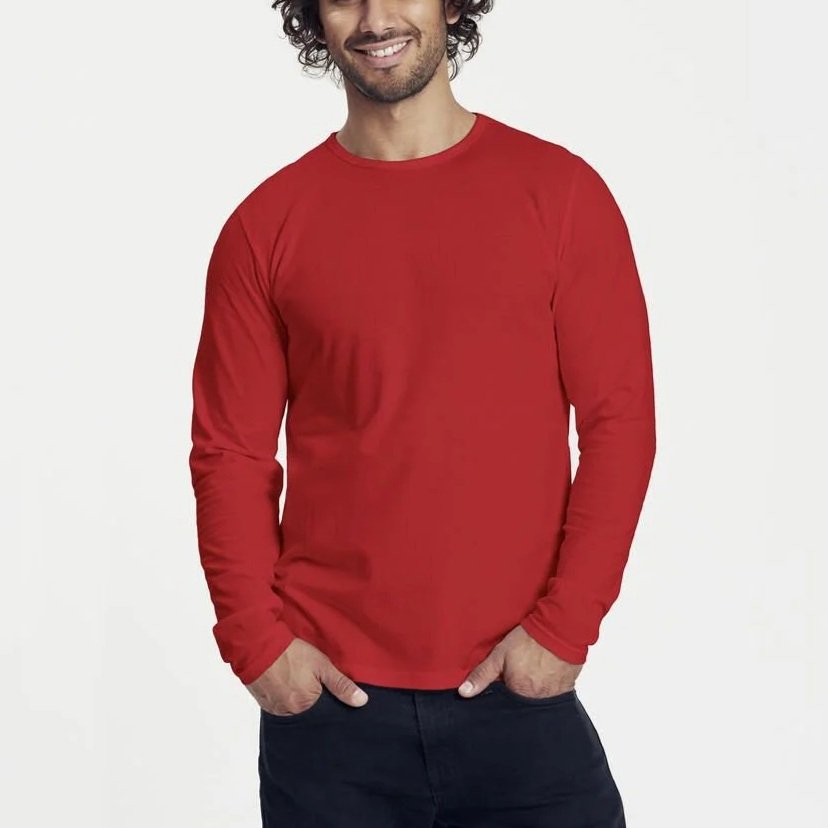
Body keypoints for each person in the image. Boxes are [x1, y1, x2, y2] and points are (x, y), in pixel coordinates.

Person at [188, 1, 656, 825]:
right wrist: (257, 646)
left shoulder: (560, 194)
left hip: (520, 693)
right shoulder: (266, 226)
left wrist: (565, 629)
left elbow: (620, 424)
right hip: (332, 714)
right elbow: (230, 452)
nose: (375, 18)